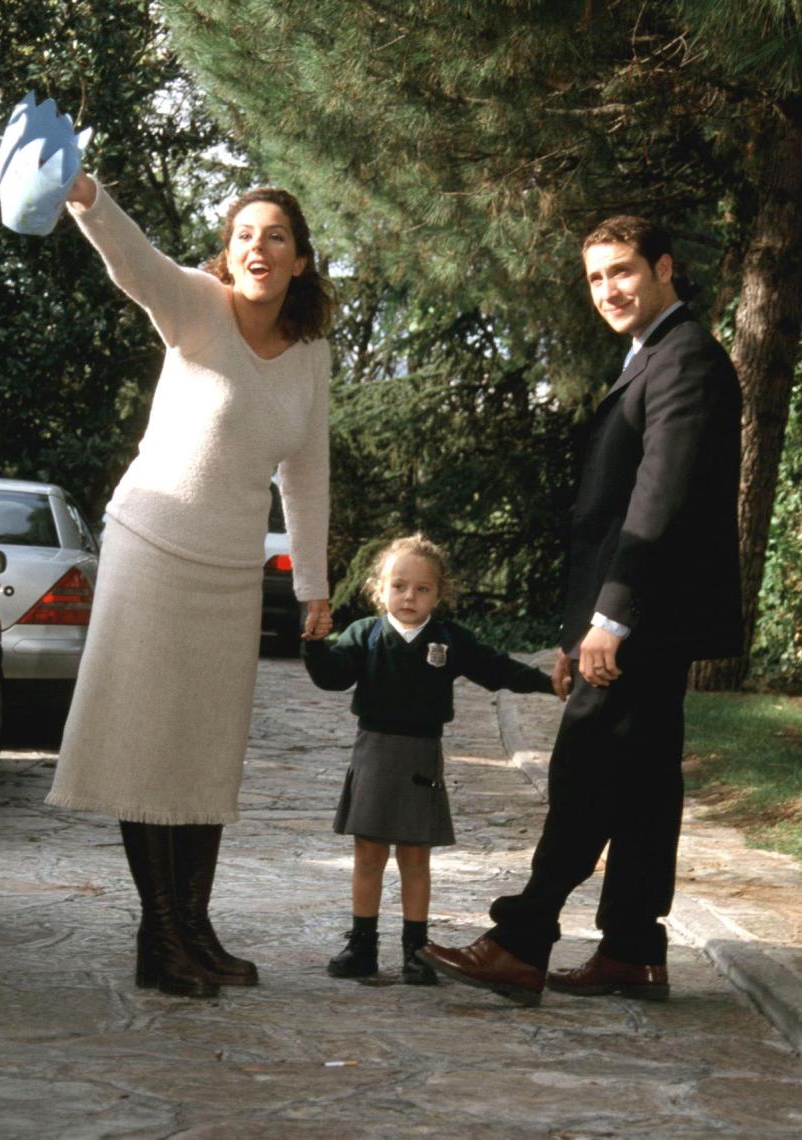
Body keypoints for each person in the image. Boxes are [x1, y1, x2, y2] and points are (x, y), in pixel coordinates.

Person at [419, 216, 743, 1006]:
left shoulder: (685, 358)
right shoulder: (649, 357)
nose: (608, 289)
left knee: (585, 774)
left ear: (664, 268)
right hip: (630, 619)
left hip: (645, 619)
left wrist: (612, 622)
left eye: (623, 270)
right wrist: (579, 630)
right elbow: (611, 518)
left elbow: (656, 502)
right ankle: (631, 952)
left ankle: (521, 941)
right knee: (639, 789)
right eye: (595, 277)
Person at [45, 169, 335, 998]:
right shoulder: (195, 307)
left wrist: (312, 585)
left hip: (230, 572)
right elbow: (133, 263)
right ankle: (160, 934)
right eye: (245, 234)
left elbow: (306, 474)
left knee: (205, 755)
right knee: (149, 742)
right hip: (153, 547)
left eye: (276, 236)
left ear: (301, 261)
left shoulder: (309, 356)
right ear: (227, 252)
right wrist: (86, 193)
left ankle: (195, 928)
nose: (259, 248)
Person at [303, 534, 558, 986]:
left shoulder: (448, 640)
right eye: (399, 586)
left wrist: (549, 684)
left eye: (422, 589)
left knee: (415, 855)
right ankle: (362, 944)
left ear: (439, 596)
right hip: (375, 751)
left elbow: (497, 668)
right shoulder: (365, 634)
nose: (409, 596)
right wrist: (315, 644)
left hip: (422, 755)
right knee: (368, 852)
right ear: (379, 589)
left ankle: (415, 949)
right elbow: (332, 677)